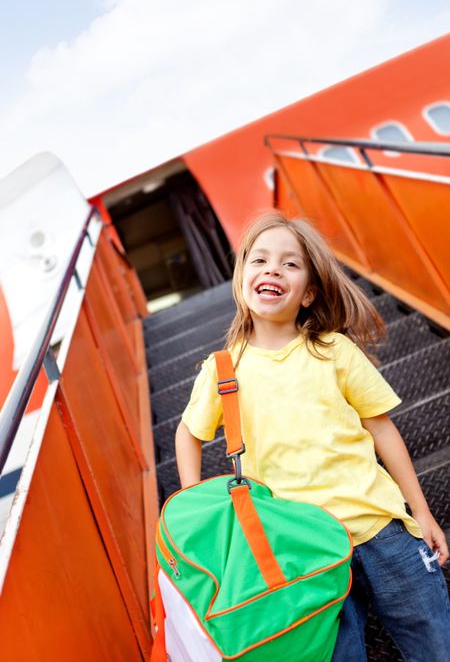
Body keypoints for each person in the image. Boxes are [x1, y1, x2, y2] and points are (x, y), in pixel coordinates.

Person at [175, 211, 450, 661]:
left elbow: (382, 429)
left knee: (436, 646)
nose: (272, 270)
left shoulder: (333, 350)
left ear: (309, 294)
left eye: (289, 264)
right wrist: (195, 501)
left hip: (380, 528)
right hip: (301, 554)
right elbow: (189, 433)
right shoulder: (224, 370)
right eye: (259, 260)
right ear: (242, 278)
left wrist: (421, 513)